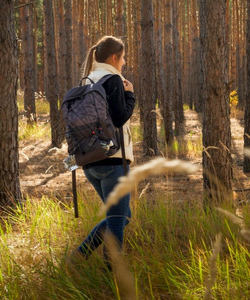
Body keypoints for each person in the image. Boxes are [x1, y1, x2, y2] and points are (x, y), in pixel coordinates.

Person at [72, 36, 135, 265]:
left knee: (119, 216)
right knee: (118, 219)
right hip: (114, 162)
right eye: (123, 57)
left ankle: (78, 258)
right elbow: (119, 118)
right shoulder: (113, 79)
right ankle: (112, 273)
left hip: (90, 163)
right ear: (114, 57)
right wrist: (130, 95)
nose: (124, 62)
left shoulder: (86, 81)